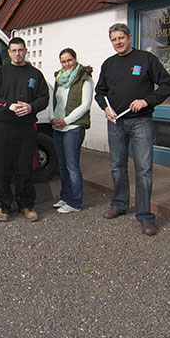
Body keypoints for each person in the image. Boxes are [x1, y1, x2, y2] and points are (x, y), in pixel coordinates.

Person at [94, 23, 170, 236]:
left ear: (129, 38)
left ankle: (145, 216)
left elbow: (167, 84)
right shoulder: (109, 64)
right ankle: (119, 205)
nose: (118, 42)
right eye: (114, 39)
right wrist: (105, 108)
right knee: (117, 167)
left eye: (121, 38)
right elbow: (99, 92)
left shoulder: (146, 59)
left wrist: (147, 101)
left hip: (141, 122)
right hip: (116, 123)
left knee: (144, 170)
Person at [0, 37, 49, 222]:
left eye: (20, 50)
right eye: (13, 50)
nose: (17, 54)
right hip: (4, 126)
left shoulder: (35, 74)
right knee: (3, 166)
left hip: (26, 127)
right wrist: (8, 106)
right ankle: (3, 206)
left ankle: (26, 205)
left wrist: (31, 107)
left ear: (25, 51)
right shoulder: (0, 72)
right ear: (8, 52)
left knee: (25, 166)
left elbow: (44, 97)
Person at [51, 48, 93, 214]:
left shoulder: (85, 77)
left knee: (72, 166)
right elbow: (54, 100)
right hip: (58, 127)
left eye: (69, 60)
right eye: (63, 61)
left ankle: (75, 202)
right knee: (62, 165)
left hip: (73, 128)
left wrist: (66, 121)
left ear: (75, 59)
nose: (67, 64)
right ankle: (65, 196)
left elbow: (85, 105)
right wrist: (53, 117)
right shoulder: (59, 78)